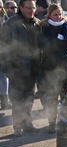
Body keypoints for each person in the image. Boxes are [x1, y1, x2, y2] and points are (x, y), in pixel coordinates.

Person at [0, 0, 42, 136]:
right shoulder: (11, 24)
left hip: (33, 67)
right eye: (28, 8)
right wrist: (7, 68)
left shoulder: (37, 23)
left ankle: (27, 124)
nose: (31, 10)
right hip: (16, 68)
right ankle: (17, 127)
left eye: (33, 8)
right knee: (18, 98)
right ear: (21, 8)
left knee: (29, 97)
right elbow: (3, 47)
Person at [39, 3, 67, 133]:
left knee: (65, 96)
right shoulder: (44, 28)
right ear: (49, 15)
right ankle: (51, 122)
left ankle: (64, 121)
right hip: (50, 66)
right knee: (52, 96)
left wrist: (58, 43)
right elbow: (46, 46)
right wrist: (59, 43)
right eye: (55, 15)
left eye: (60, 14)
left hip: (66, 65)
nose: (58, 17)